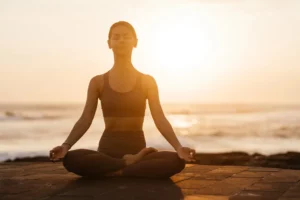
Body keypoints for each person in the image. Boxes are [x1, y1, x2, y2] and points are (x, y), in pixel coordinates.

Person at [49, 21, 196, 178]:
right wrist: (66, 146)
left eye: (126, 37)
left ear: (135, 42)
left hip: (137, 149)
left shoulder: (147, 81)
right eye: (116, 37)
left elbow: (159, 118)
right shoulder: (98, 82)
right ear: (109, 44)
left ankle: (113, 171)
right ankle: (126, 166)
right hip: (106, 153)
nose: (121, 40)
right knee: (71, 159)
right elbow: (85, 119)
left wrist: (178, 148)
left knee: (176, 161)